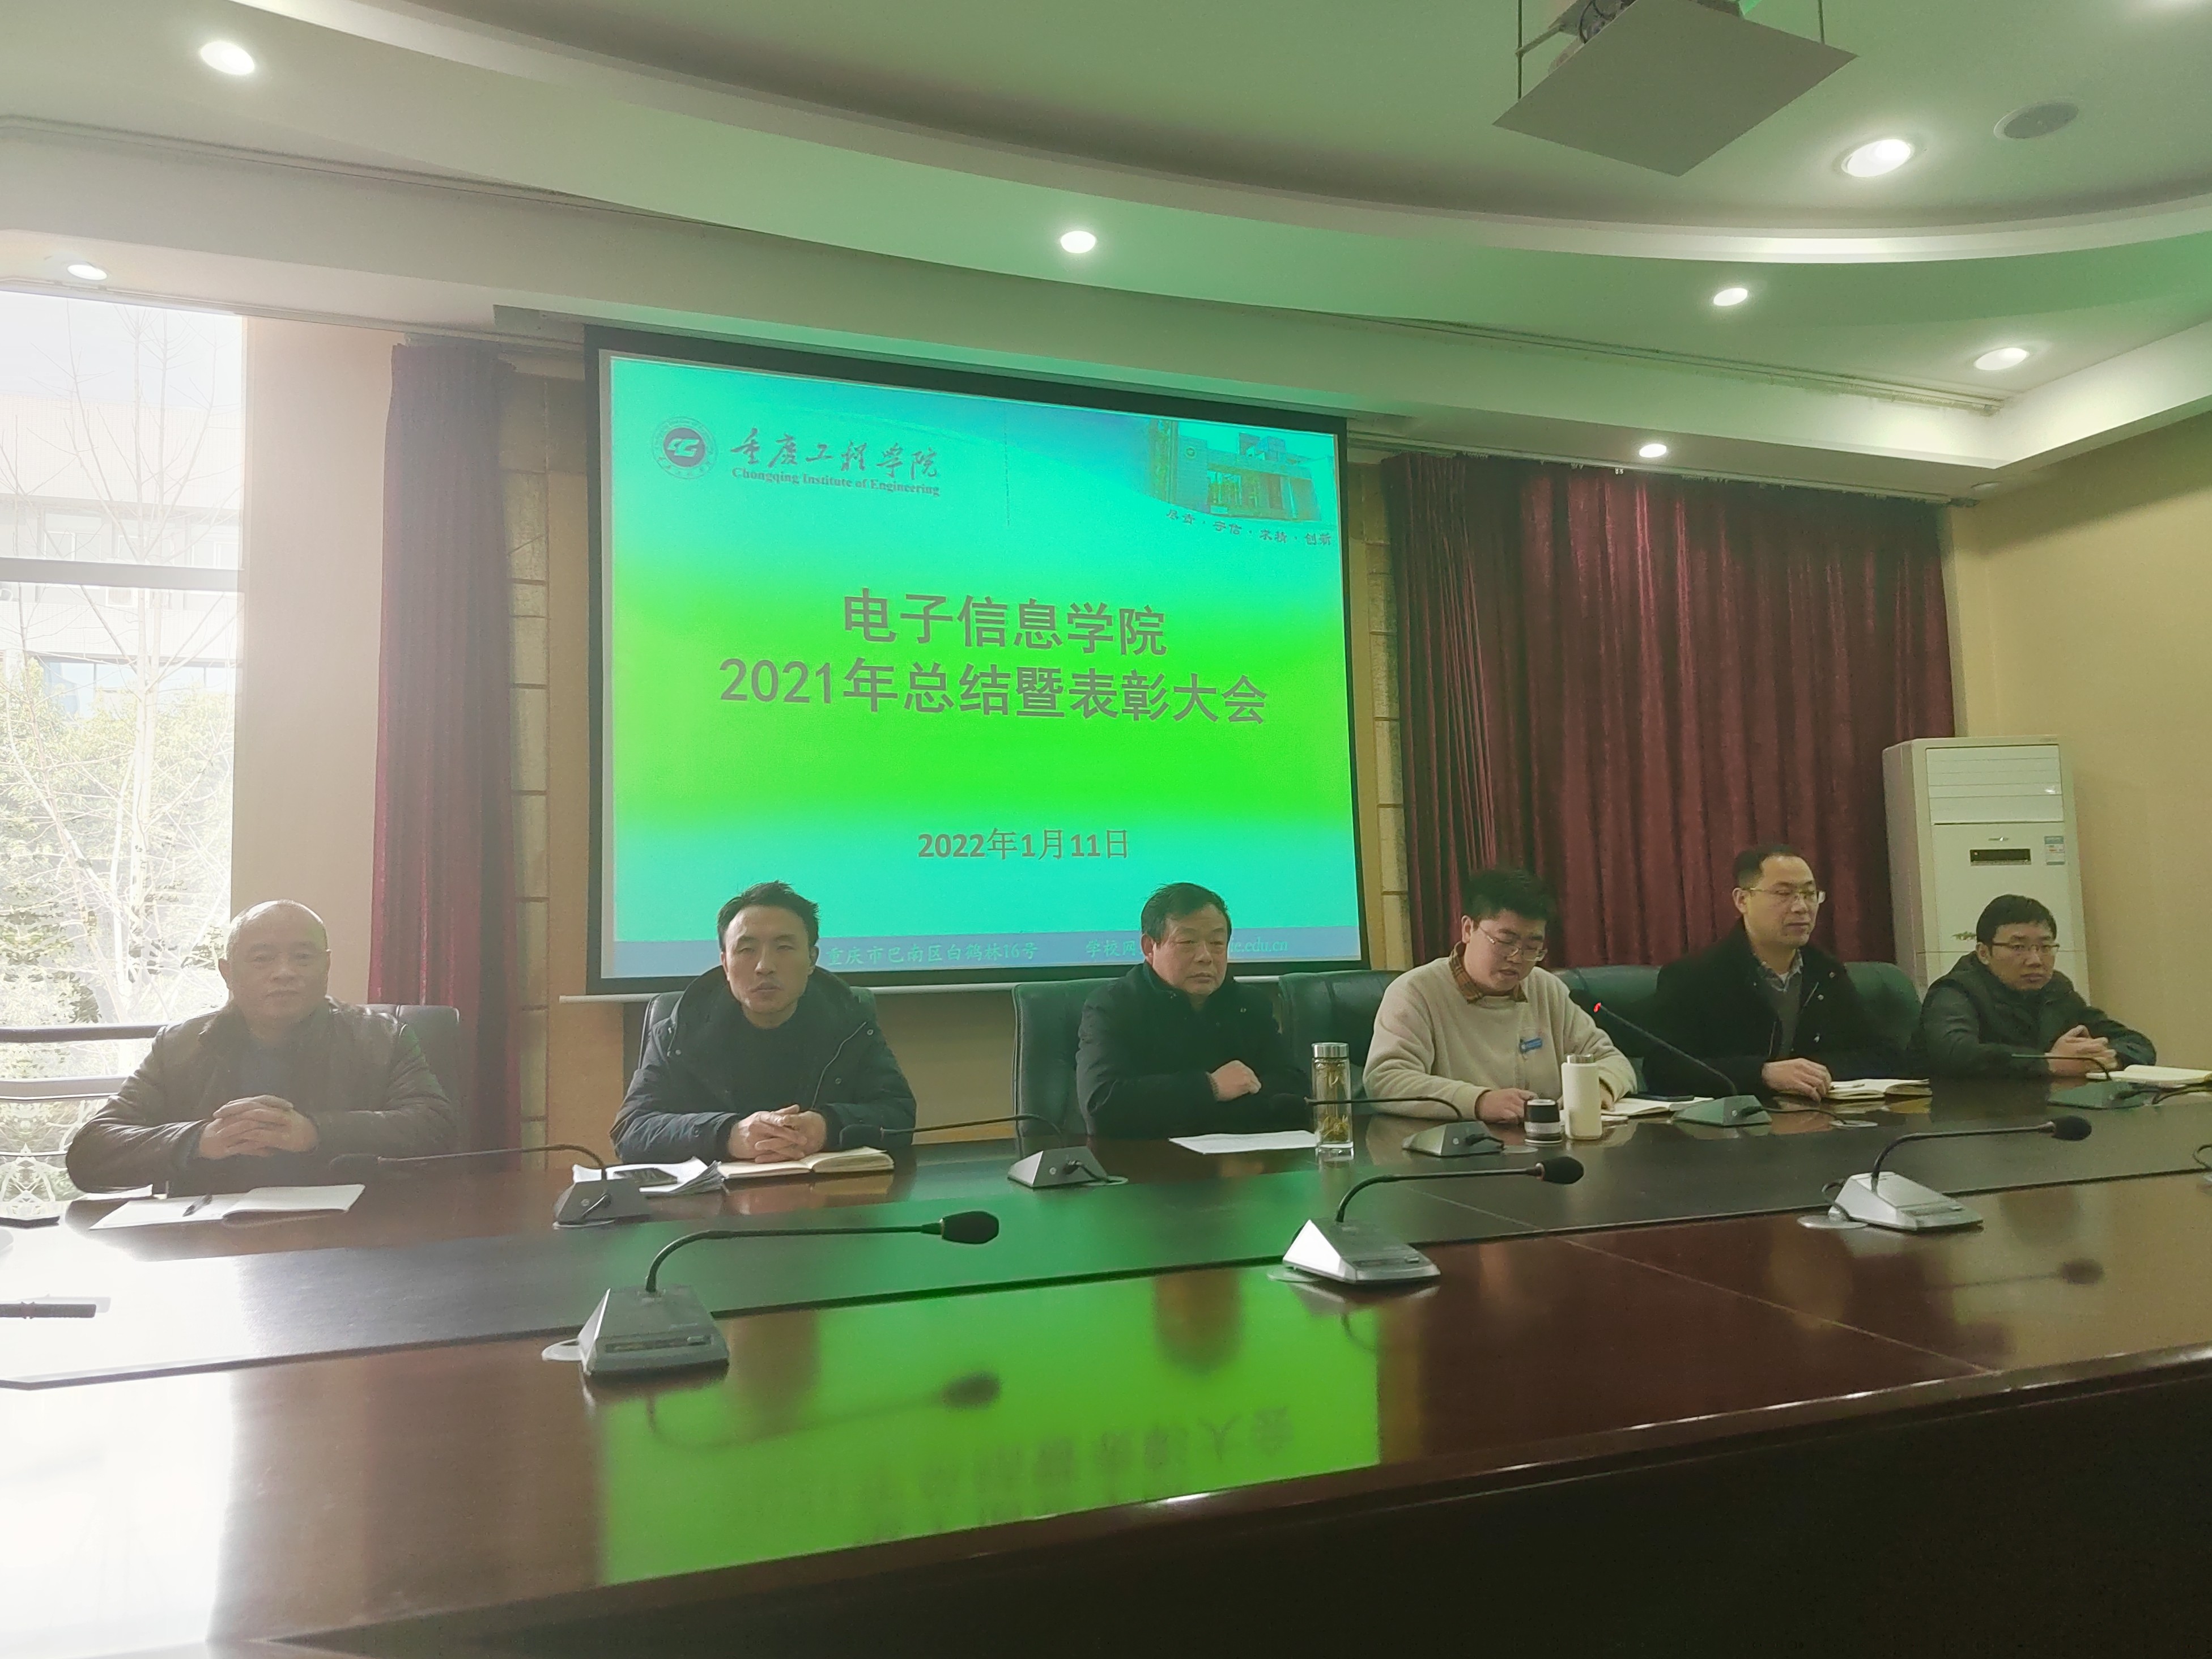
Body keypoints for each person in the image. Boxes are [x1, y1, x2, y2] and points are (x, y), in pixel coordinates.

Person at [65, 900, 459, 1193]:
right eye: (262, 959)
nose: (284, 972)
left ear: (326, 966)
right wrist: (200, 1140)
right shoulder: (178, 1046)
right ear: (227, 972)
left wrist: (315, 1132)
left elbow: (435, 1128)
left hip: (346, 1235)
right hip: (211, 1243)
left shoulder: (383, 1037)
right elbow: (91, 1154)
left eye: (302, 958)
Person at [612, 881, 915, 1163]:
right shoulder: (680, 1029)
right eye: (747, 949)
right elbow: (632, 1131)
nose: (764, 966)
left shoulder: (849, 1021)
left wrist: (827, 1127)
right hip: (715, 1197)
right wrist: (728, 1135)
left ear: (812, 960)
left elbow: (899, 1114)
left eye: (784, 947)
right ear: (725, 963)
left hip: (827, 1192)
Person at [1365, 866, 1634, 1124]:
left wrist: (1599, 1086)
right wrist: (1479, 1101)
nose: (1517, 958)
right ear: (1468, 929)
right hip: (1463, 1147)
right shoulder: (1417, 992)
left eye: (1532, 947)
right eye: (1506, 942)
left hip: (1548, 1143)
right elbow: (1386, 1080)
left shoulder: (1546, 989)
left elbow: (1612, 1060)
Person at [1648, 844, 1907, 1098]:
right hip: (1734, 1122)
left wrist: (1810, 1073)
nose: (1801, 907)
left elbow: (1884, 1055)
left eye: (1810, 894)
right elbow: (1665, 1071)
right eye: (1784, 894)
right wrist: (1763, 1074)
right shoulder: (1693, 976)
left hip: (1817, 1118)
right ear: (1742, 900)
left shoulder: (1826, 972)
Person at [1075, 882, 1307, 1137]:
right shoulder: (1114, 1005)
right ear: (1149, 947)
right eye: (1187, 942)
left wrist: (1186, 1110)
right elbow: (1102, 1105)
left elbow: (1293, 1089)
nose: (1205, 956)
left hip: (1239, 1158)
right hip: (1145, 1159)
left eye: (1217, 943)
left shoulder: (1249, 1004)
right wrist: (1211, 1088)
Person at [1917, 894, 2154, 1079]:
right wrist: (2048, 1063)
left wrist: (2107, 1058)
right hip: (1968, 1117)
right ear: (1984, 953)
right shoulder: (1954, 992)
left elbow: (2137, 1043)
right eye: (2018, 947)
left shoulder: (2056, 990)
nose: (2035, 960)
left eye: (2045, 947)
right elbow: (1954, 1054)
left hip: (2044, 1109)